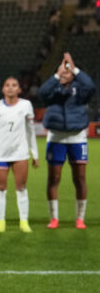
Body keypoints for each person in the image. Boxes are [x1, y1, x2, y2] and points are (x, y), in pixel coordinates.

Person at [39, 52, 95, 229]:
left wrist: (74, 67)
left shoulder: (81, 91)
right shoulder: (52, 90)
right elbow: (42, 92)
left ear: (74, 75)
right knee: (54, 178)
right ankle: (54, 218)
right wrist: (56, 75)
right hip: (56, 138)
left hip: (77, 137)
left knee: (79, 178)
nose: (64, 74)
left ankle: (80, 218)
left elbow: (91, 86)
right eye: (62, 72)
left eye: (67, 72)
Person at [0, 77, 37, 232]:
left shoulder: (26, 105)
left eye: (14, 85)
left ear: (19, 90)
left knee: (21, 187)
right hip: (0, 154)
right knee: (1, 187)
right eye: (7, 85)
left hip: (20, 153)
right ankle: (1, 222)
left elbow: (30, 131)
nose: (10, 88)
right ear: (3, 89)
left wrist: (34, 153)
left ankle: (24, 221)